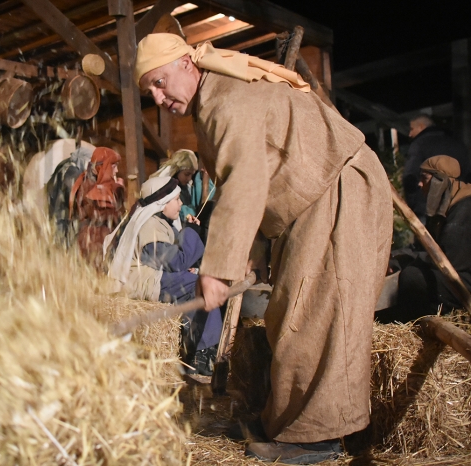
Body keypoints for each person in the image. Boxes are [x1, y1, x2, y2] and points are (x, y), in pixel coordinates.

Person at [135, 34, 392, 464]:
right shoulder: (211, 102)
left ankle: (315, 439)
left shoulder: (226, 103)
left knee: (314, 312)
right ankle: (286, 424)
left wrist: (217, 270)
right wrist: (252, 252)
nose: (159, 97)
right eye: (151, 92)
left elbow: (245, 183)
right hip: (307, 204)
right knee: (287, 313)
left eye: (161, 82)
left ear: (185, 64)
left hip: (337, 190)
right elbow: (255, 177)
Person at [103, 176, 222, 375]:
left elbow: (172, 263)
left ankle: (197, 348)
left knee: (197, 281)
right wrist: (191, 232)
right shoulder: (150, 225)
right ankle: (202, 355)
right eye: (176, 199)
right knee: (199, 287)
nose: (181, 203)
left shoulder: (159, 223)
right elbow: (175, 262)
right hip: (143, 283)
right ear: (162, 203)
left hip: (153, 278)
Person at [386, 156, 471, 322]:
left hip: (463, 280)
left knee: (413, 277)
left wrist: (410, 261)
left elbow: (450, 261)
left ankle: (421, 321)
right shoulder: (444, 207)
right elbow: (421, 249)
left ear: (440, 181)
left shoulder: (465, 208)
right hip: (452, 273)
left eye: (424, 178)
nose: (419, 184)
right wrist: (395, 258)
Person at [404, 115, 470, 219]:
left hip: (426, 209)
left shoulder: (419, 144)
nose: (410, 134)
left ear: (421, 126)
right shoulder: (457, 143)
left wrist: (415, 206)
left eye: (412, 129)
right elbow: (467, 173)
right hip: (459, 207)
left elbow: (410, 178)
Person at [69, 147, 125, 270]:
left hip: (102, 241)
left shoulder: (99, 185)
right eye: (113, 166)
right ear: (103, 167)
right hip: (93, 244)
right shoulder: (88, 186)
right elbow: (101, 215)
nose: (117, 171)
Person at [150, 149, 215, 228]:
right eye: (187, 174)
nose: (189, 178)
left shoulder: (186, 187)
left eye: (191, 175)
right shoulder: (166, 187)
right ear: (177, 170)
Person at [46, 143, 95, 246]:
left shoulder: (66, 166)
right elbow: (72, 191)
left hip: (60, 209)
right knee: (61, 240)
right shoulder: (71, 171)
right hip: (61, 212)